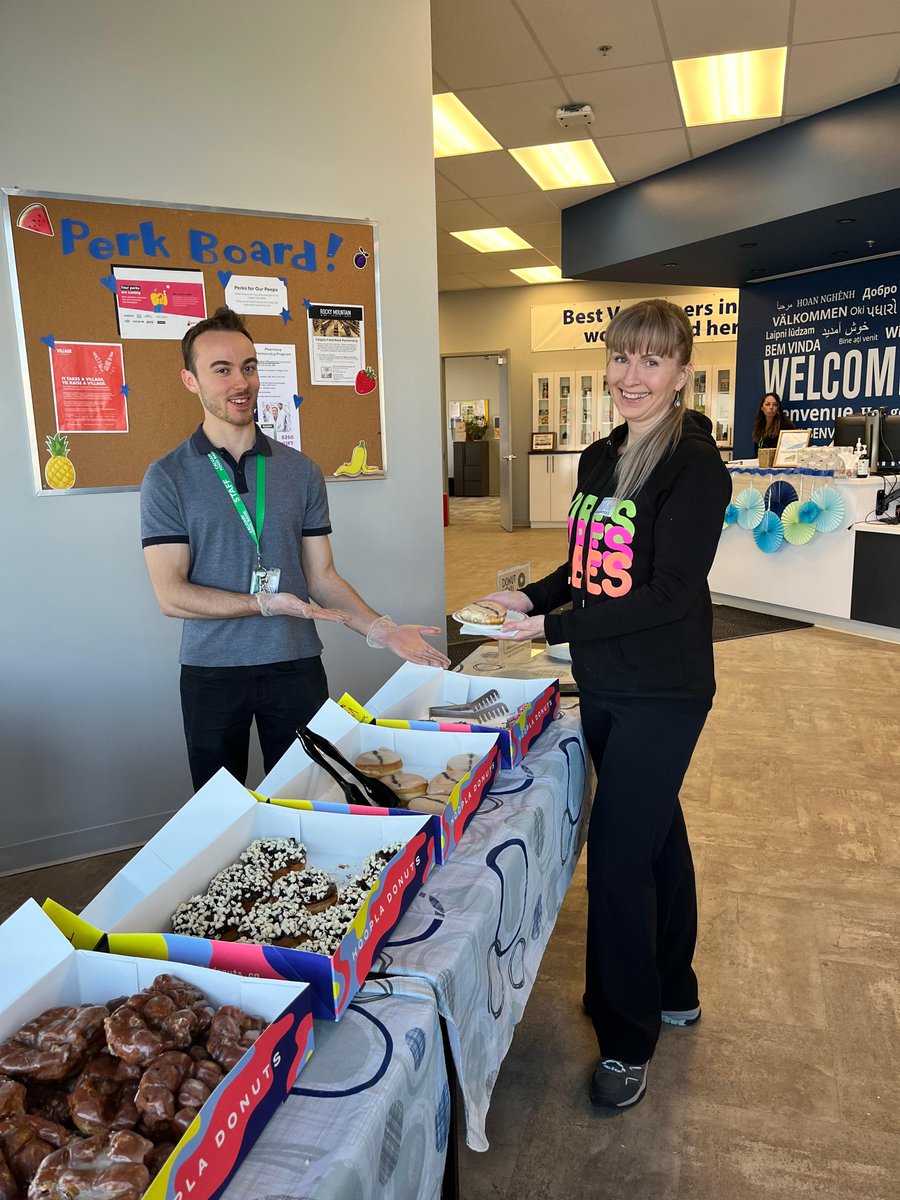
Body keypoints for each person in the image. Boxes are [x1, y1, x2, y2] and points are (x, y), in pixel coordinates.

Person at [478, 299, 731, 1111]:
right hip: (608, 680)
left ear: (681, 374)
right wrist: (524, 600)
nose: (631, 376)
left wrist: (552, 622)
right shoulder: (600, 455)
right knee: (657, 836)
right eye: (621, 359)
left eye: (651, 362)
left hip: (665, 686)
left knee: (619, 856)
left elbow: (665, 593)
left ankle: (627, 1035)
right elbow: (586, 566)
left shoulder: (696, 467)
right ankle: (675, 984)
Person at [140, 306, 449, 790]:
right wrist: (263, 603)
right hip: (212, 672)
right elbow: (170, 594)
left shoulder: (300, 470)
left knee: (309, 791)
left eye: (248, 366)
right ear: (190, 381)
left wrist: (382, 630)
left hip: (295, 663)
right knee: (222, 806)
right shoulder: (168, 477)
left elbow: (322, 577)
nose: (240, 382)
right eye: (221, 370)